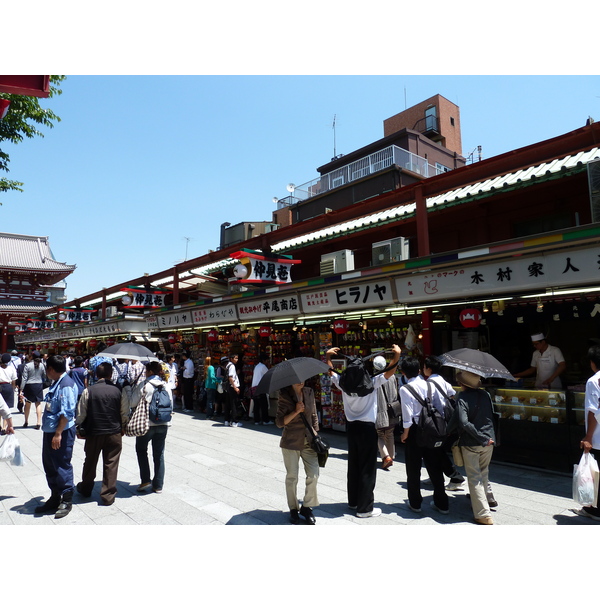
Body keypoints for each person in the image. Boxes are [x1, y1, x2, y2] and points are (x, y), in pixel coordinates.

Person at [325, 344, 401, 518]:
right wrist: (397, 355)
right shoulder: (372, 383)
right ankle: (365, 508)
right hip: (367, 428)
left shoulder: (343, 383)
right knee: (367, 468)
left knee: (354, 465)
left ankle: (353, 502)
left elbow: (331, 372)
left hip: (351, 428)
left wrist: (328, 357)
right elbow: (390, 371)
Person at [399, 355, 450, 515]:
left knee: (413, 469)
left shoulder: (404, 389)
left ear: (403, 373)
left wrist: (405, 434)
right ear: (419, 370)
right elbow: (438, 406)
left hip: (415, 430)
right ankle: (442, 504)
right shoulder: (429, 385)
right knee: (435, 466)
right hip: (432, 428)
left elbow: (407, 417)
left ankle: (415, 503)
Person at [446, 369, 497, 525]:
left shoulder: (462, 398)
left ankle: (483, 514)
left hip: (472, 442)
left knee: (474, 478)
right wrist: (486, 437)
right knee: (484, 471)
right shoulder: (486, 395)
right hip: (489, 440)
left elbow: (463, 422)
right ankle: (488, 498)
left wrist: (446, 432)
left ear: (462, 384)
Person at [75, 361, 129, 505]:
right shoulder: (119, 390)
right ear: (111, 374)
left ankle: (86, 488)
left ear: (96, 374)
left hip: (94, 432)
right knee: (111, 463)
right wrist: (123, 426)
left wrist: (78, 427)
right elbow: (124, 412)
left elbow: (81, 413)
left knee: (90, 461)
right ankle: (108, 495)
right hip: (114, 432)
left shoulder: (89, 390)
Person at [35, 354, 78, 519]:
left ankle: (66, 499)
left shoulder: (66, 385)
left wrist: (58, 434)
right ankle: (54, 496)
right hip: (50, 431)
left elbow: (67, 412)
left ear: (51, 369)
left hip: (61, 432)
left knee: (61, 464)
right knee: (50, 464)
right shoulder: (57, 383)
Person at [275, 379, 320, 524]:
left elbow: (313, 414)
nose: (301, 381)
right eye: (297, 379)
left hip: (308, 440)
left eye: (303, 378)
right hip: (291, 441)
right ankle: (293, 509)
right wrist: (296, 411)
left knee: (314, 474)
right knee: (292, 477)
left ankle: (307, 507)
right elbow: (280, 422)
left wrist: (316, 434)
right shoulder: (284, 395)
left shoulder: (308, 392)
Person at [422, 355, 465, 491]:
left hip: (437, 423)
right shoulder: (444, 381)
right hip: (449, 422)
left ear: (428, 369)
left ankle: (455, 477)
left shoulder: (428, 384)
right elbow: (452, 396)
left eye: (424, 367)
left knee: (436, 450)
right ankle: (436, 475)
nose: (423, 369)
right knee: (436, 450)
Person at [130, 361, 173, 493]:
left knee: (141, 450)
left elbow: (132, 403)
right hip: (163, 423)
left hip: (146, 424)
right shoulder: (166, 385)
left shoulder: (144, 385)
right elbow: (171, 403)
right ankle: (158, 485)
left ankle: (145, 481)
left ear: (149, 371)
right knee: (159, 453)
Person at [572, 345, 600, 521]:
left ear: (592, 363)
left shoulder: (594, 381)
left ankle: (594, 510)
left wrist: (588, 436)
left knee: (596, 474)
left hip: (598, 437)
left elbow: (593, 410)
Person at [374, 355, 399, 470]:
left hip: (381, 410)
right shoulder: (392, 376)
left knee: (379, 434)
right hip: (392, 409)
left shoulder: (376, 378)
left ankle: (386, 456)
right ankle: (391, 456)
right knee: (389, 433)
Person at [20, 350, 46, 430]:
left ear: (32, 356)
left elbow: (24, 378)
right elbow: (44, 375)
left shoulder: (28, 365)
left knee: (28, 403)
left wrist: (21, 388)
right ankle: (38, 422)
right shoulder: (42, 365)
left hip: (29, 385)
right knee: (38, 403)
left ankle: (26, 421)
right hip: (38, 385)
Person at [251, 353, 272, 425]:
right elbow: (269, 374)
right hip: (260, 387)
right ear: (264, 360)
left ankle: (256, 420)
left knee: (256, 405)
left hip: (254, 387)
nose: (267, 362)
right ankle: (265, 420)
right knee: (264, 405)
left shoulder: (257, 366)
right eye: (267, 361)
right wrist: (269, 367)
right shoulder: (263, 366)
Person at [223, 354, 242, 427]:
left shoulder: (228, 365)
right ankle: (234, 421)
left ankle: (226, 420)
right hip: (232, 387)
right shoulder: (232, 366)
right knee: (234, 404)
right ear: (231, 359)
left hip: (228, 387)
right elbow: (230, 377)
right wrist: (235, 387)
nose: (237, 360)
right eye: (235, 358)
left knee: (228, 404)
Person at [0, 353, 17, 434]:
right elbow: (14, 380)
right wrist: (13, 389)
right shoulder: (11, 369)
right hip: (8, 386)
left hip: (0, 386)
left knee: (0, 406)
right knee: (7, 407)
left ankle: (0, 425)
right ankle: (4, 427)